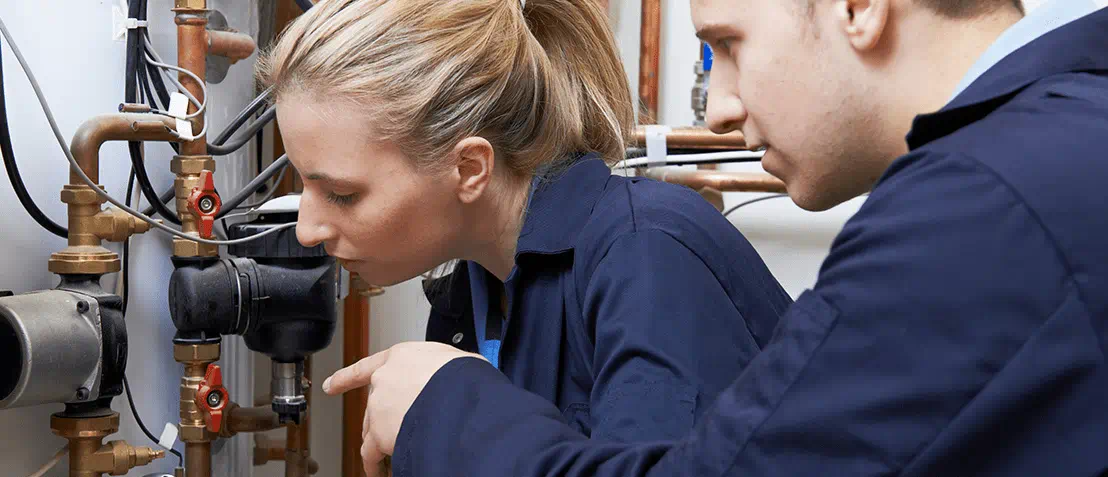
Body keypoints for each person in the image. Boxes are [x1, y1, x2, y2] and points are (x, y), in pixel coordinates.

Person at [322, 0, 1108, 475]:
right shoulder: (1053, 153)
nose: (719, 109)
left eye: (727, 43)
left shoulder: (981, 205)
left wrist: (443, 404)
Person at [260, 0, 794, 465]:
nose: (307, 229)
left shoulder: (650, 256)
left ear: (470, 168)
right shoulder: (474, 291)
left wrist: (452, 411)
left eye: (343, 194)